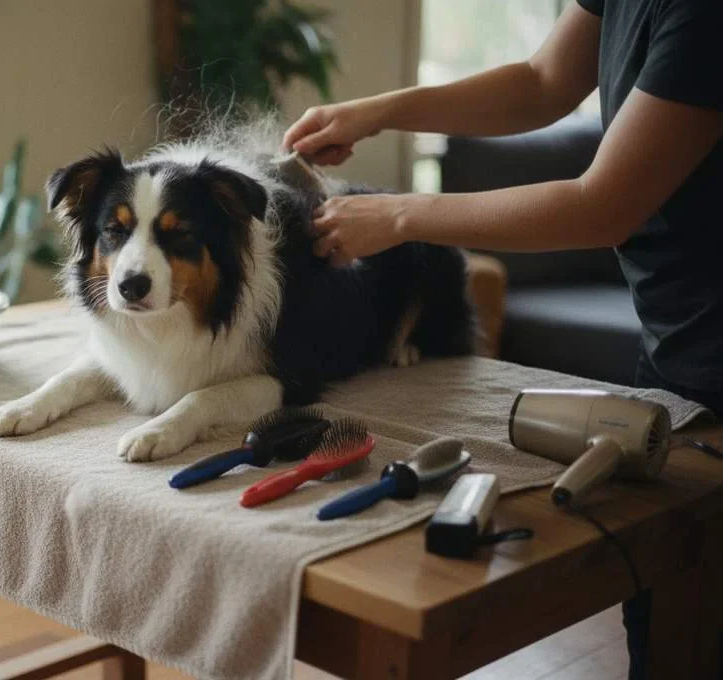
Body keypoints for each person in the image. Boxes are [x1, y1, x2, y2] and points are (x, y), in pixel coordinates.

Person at [283, 1, 721, 678]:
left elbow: (605, 204)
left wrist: (401, 214)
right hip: (674, 340)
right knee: (662, 606)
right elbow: (541, 81)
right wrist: (378, 110)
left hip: (711, 349)